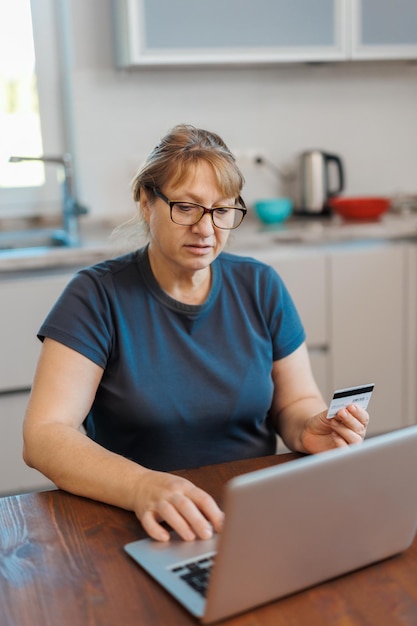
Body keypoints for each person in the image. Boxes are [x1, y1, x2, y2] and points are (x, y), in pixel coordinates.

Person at [23, 124, 369, 543]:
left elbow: (295, 402)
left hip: (247, 515)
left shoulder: (261, 286)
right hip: (140, 519)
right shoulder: (95, 296)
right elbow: (45, 434)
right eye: (186, 207)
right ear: (146, 203)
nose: (206, 229)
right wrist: (142, 486)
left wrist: (308, 427)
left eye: (222, 210)